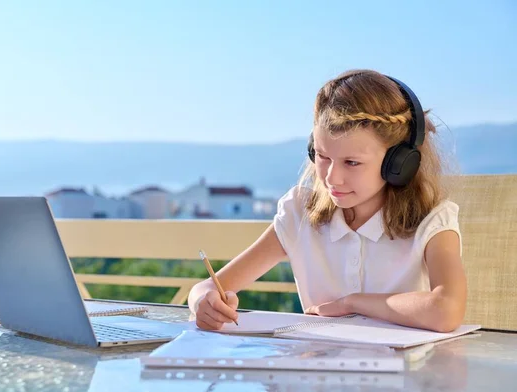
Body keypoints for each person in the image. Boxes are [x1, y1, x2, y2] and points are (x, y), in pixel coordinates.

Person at [188, 69, 467, 333]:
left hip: (405, 379)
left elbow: (447, 310)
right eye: (323, 157)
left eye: (352, 162)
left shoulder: (433, 222)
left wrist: (353, 303)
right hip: (317, 377)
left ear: (399, 163)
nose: (333, 178)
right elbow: (207, 288)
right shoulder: (299, 213)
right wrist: (204, 301)